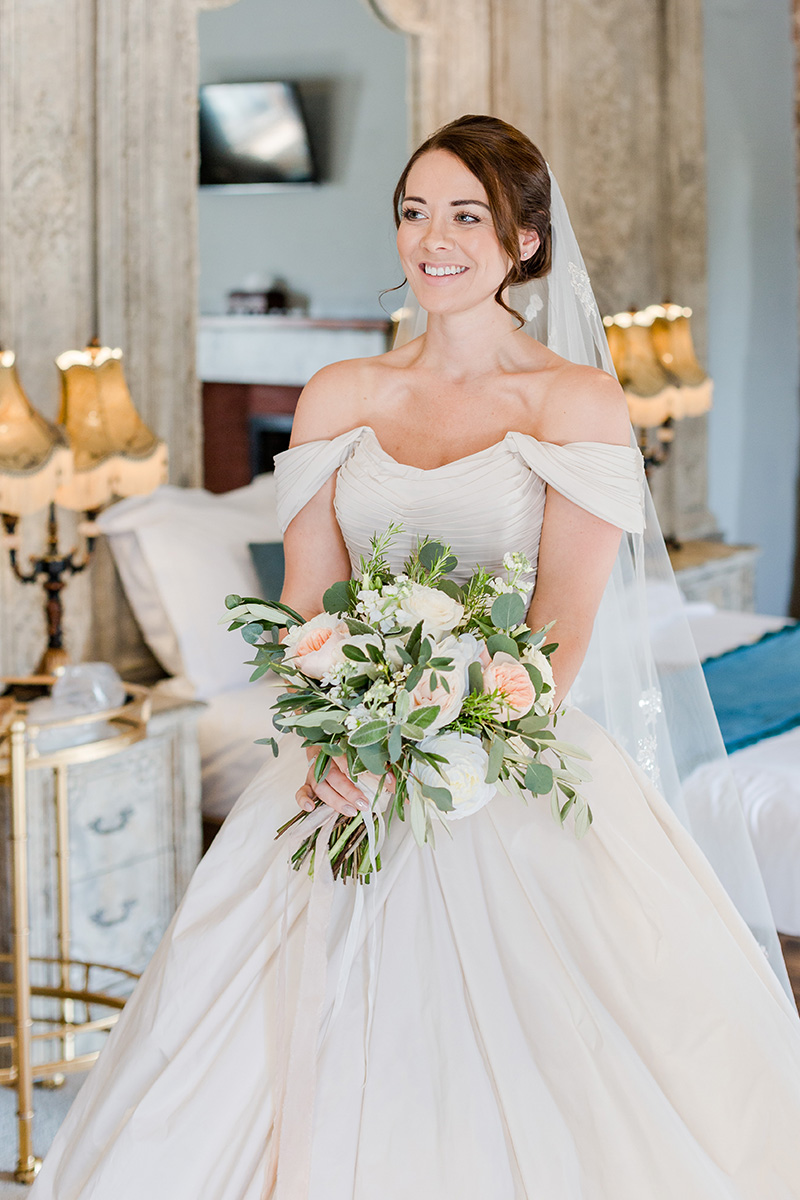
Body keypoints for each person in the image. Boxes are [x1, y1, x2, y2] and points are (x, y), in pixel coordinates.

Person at [31, 115, 800, 1200]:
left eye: (465, 214)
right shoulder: (339, 393)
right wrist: (334, 735)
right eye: (411, 211)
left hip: (504, 760)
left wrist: (452, 740)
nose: (430, 238)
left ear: (523, 241)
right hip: (334, 776)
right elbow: (302, 603)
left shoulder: (571, 402)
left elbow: (561, 627)